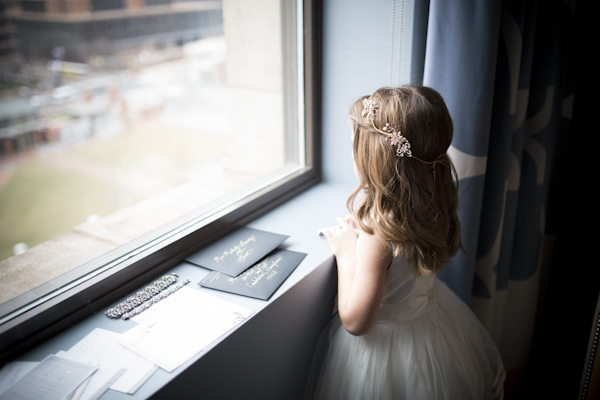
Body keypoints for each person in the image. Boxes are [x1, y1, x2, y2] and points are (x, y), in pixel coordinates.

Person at [305, 86, 505, 399]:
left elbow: (356, 321)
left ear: (373, 157)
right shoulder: (433, 198)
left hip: (386, 355)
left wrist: (347, 253)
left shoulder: (379, 234)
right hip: (430, 328)